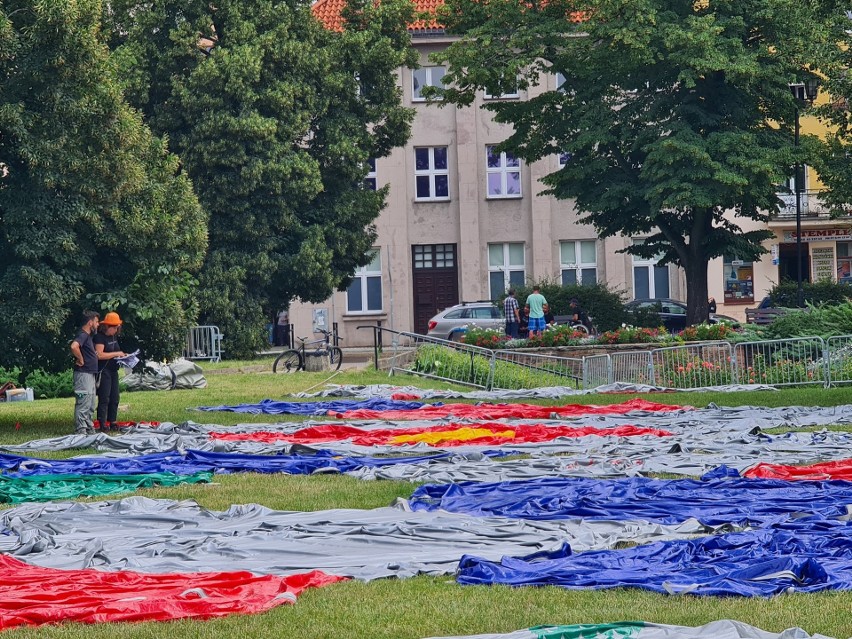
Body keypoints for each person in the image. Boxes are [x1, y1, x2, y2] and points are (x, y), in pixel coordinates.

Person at [93, 312, 126, 432]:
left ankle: (113, 421)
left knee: (115, 396)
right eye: (115, 328)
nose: (117, 330)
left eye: (118, 327)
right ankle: (102, 422)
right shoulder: (100, 337)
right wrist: (116, 354)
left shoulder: (114, 337)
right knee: (104, 397)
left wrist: (123, 356)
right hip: (104, 370)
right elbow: (100, 355)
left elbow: (115, 351)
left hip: (113, 370)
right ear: (107, 326)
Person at [69, 310, 100, 435]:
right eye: (96, 322)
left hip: (90, 374)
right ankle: (81, 430)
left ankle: (88, 428)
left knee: (91, 402)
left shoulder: (88, 337)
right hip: (83, 374)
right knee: (84, 402)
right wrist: (81, 359)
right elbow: (73, 346)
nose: (98, 324)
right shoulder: (82, 335)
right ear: (90, 322)